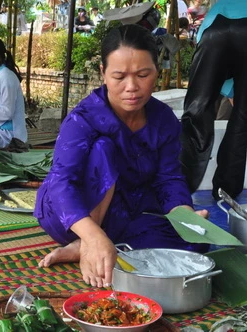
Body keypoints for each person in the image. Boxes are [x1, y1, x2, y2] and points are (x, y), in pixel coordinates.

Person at [34, 24, 209, 288]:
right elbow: (62, 184)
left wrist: (183, 214)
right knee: (104, 148)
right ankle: (89, 240)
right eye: (119, 77)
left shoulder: (163, 120)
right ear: (103, 73)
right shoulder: (83, 119)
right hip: (72, 214)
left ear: (156, 72)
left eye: (142, 74)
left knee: (195, 240)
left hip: (127, 209)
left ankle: (90, 245)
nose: (132, 87)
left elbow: (168, 179)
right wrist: (92, 234)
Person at [180, 0, 247, 200]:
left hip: (213, 34)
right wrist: (236, 95)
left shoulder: (219, 7)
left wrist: (227, 91)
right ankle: (225, 190)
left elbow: (204, 40)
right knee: (242, 119)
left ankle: (179, 187)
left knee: (196, 113)